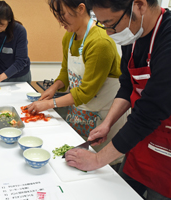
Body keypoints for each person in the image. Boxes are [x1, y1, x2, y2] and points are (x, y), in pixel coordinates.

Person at [65, 0, 171, 199]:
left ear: (139, 6)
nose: (108, 32)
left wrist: (97, 160)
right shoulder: (134, 35)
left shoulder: (166, 39)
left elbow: (150, 111)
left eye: (111, 23)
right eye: (102, 24)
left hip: (166, 152)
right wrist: (107, 123)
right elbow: (128, 86)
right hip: (137, 141)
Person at [26, 0, 129, 168]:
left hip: (103, 117)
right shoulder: (70, 36)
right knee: (75, 161)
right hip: (80, 113)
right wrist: (53, 88)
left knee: (103, 170)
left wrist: (48, 104)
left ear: (81, 9)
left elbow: (85, 92)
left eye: (63, 15)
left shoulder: (100, 42)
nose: (60, 22)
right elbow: (65, 73)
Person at [0, 0, 31, 87]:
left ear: (9, 20)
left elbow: (21, 61)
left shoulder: (19, 31)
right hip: (0, 72)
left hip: (20, 76)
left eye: (1, 25)